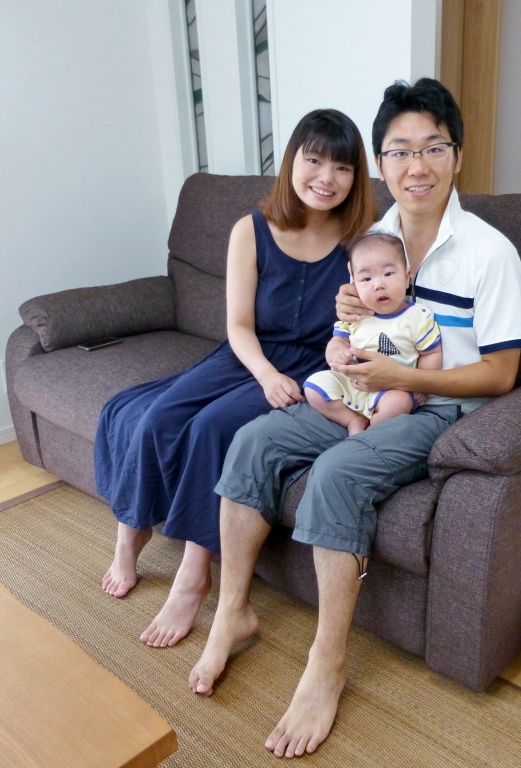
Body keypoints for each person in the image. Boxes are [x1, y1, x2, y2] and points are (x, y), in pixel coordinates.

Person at [189, 78, 521, 759]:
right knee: (252, 440)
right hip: (361, 388)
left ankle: (327, 664)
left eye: (433, 148)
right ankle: (232, 611)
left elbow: (502, 374)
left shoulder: (490, 252)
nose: (416, 166)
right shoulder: (370, 240)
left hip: (437, 408)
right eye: (400, 151)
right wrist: (346, 329)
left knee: (339, 472)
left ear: (457, 156)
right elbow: (343, 328)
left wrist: (406, 378)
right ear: (381, 163)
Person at [93, 108, 376, 649]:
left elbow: (374, 321)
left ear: (355, 177)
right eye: (314, 161)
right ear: (291, 161)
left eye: (342, 168)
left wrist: (358, 318)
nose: (326, 178)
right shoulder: (251, 229)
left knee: (213, 428)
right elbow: (239, 326)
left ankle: (194, 576)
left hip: (312, 364)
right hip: (247, 355)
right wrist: (265, 375)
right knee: (156, 416)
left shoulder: (359, 243)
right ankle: (130, 535)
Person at [303, 232, 442, 434]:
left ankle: (372, 433)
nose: (378, 285)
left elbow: (431, 353)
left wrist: (421, 385)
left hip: (393, 388)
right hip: (352, 382)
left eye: (388, 274)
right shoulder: (355, 314)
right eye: (366, 278)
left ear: (406, 278)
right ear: (354, 284)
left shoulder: (417, 316)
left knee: (398, 404)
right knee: (314, 387)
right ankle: (353, 420)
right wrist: (336, 353)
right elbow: (338, 340)